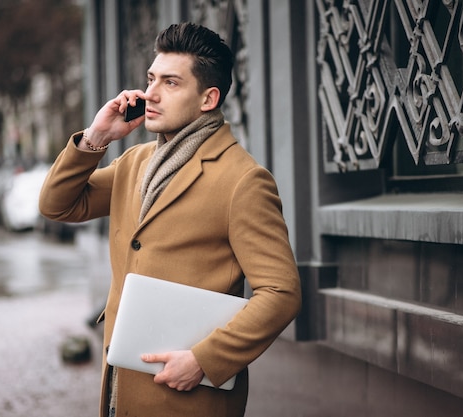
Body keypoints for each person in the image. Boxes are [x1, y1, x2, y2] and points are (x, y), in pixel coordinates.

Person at [39, 22, 301, 417]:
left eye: (171, 83)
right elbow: (57, 205)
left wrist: (204, 361)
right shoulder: (136, 162)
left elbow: (281, 293)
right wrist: (96, 137)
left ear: (208, 98)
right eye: (151, 78)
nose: (151, 94)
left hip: (188, 397)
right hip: (121, 387)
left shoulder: (243, 180)